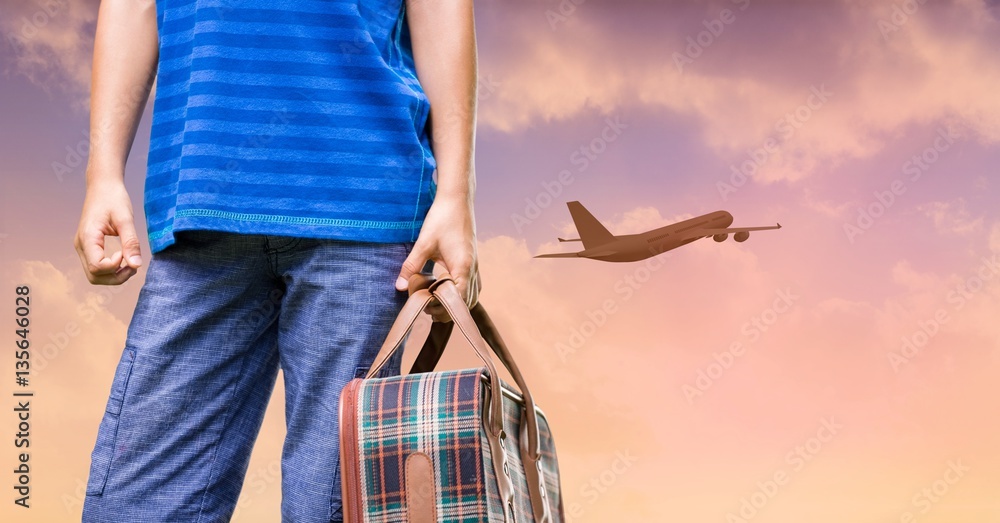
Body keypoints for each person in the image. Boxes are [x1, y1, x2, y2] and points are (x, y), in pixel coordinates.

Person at [73, 0, 479, 521]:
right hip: (200, 205)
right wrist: (102, 173)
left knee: (333, 509)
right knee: (136, 506)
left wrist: (456, 194)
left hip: (364, 200)